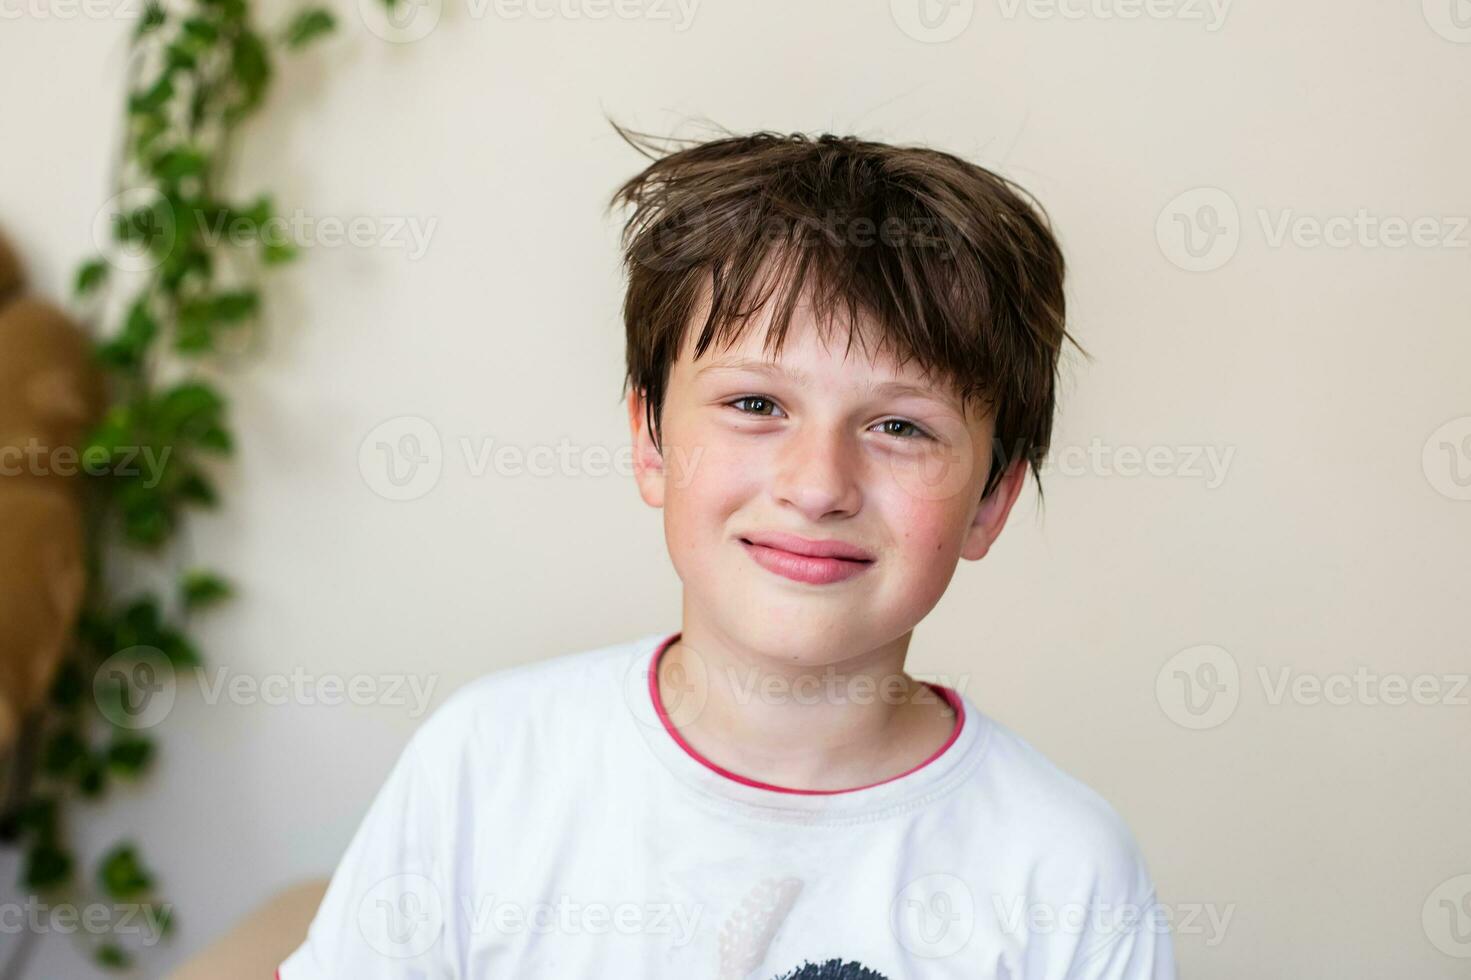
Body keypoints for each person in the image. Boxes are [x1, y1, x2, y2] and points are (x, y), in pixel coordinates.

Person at [278, 125, 1177, 979]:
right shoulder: (486, 764)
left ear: (992, 499)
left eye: (900, 426)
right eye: (755, 405)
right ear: (651, 443)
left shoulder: (1063, 870)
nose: (817, 484)